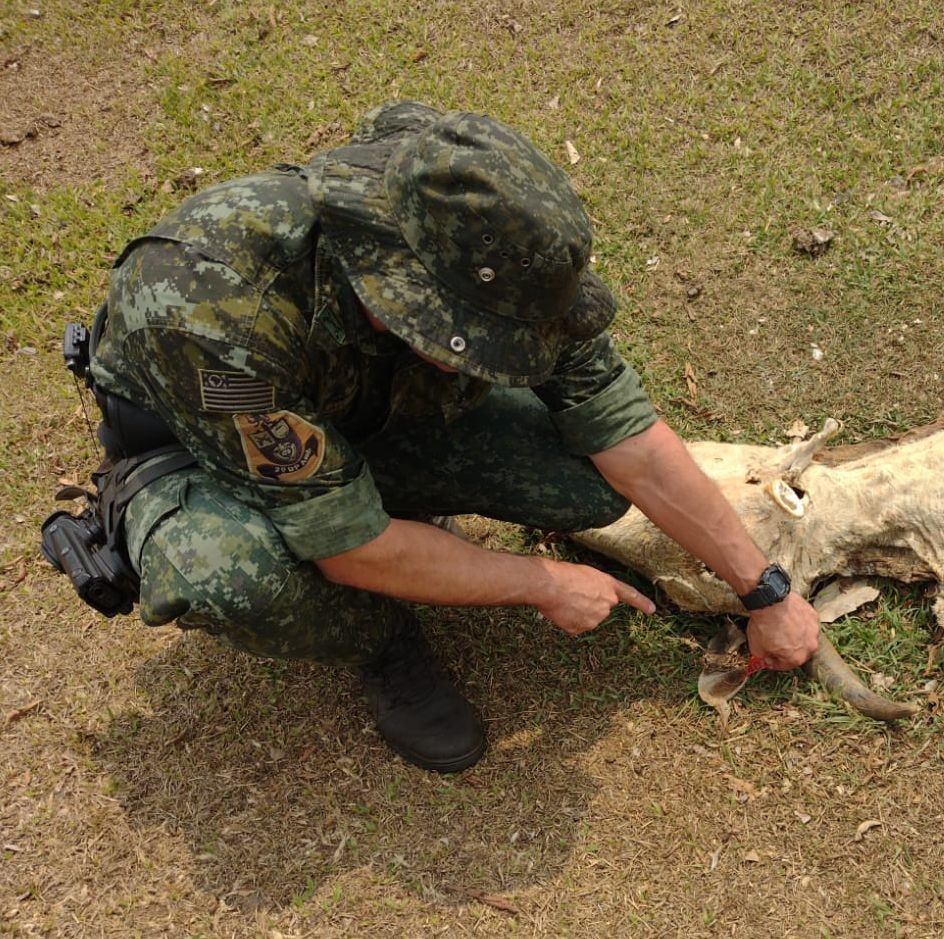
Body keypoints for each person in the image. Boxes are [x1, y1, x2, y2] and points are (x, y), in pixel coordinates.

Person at [81, 101, 820, 773]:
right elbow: (349, 546)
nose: (514, 351)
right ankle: (379, 638)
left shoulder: (480, 220)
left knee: (585, 478)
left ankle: (414, 534)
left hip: (363, 415)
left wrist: (764, 588)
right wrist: (541, 583)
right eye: (493, 339)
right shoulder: (210, 303)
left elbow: (625, 434)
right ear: (405, 295)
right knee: (231, 577)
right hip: (202, 448)